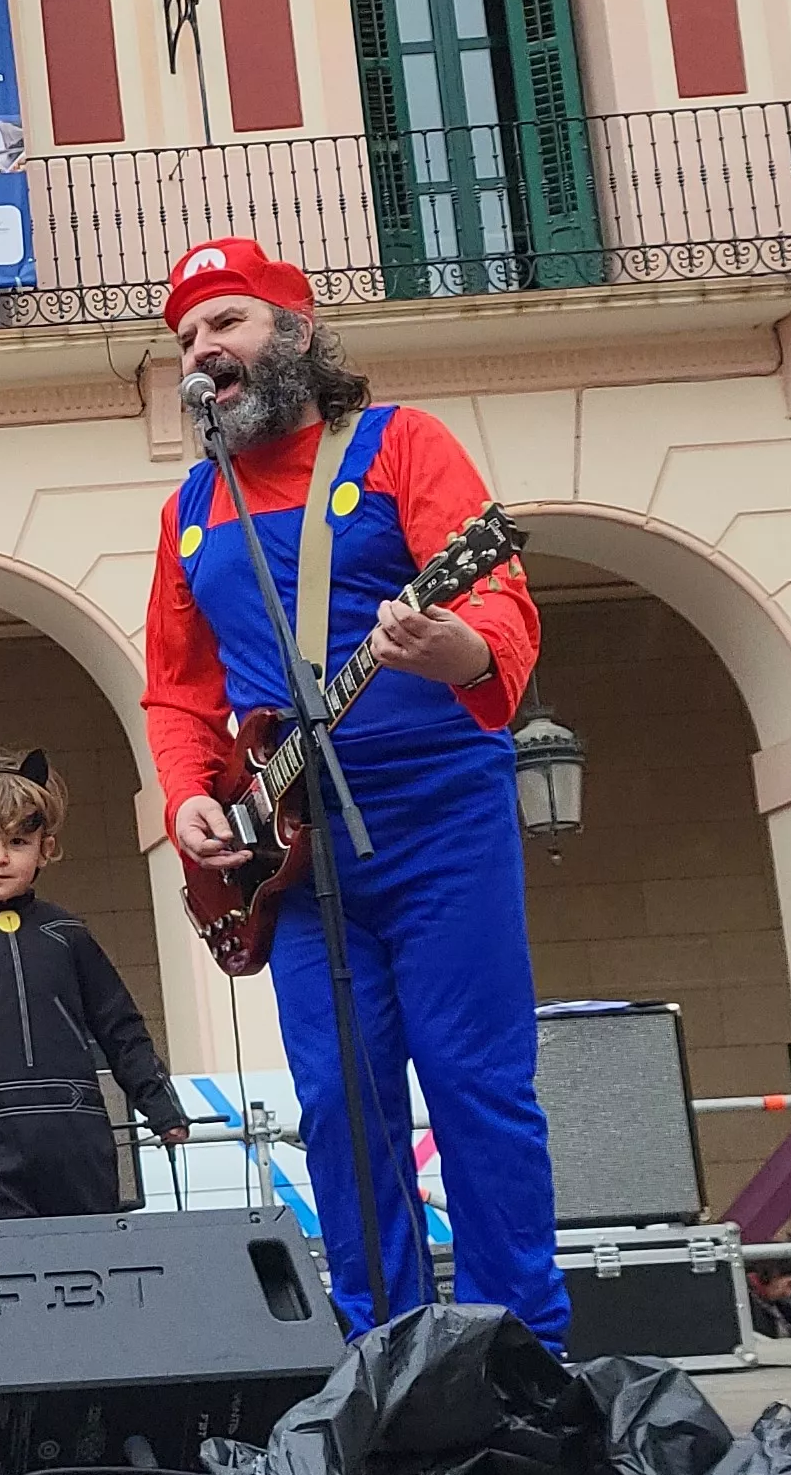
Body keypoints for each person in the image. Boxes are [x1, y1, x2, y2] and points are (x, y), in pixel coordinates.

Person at [143, 236, 562, 1343]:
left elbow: (503, 608)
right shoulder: (190, 506)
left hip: (436, 811)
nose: (201, 350)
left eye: (223, 323)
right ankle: (381, 1349)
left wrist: (455, 650)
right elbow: (177, 689)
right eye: (185, 337)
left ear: (295, 328)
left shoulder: (398, 444)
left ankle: (520, 1346)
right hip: (294, 846)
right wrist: (189, 794)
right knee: (338, 1103)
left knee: (474, 1085)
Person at [0, 754, 188, 1219]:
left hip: (75, 1127)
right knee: (6, 1263)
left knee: (95, 1250)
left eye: (17, 841)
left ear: (45, 849)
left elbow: (120, 1026)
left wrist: (161, 1105)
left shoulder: (67, 933)